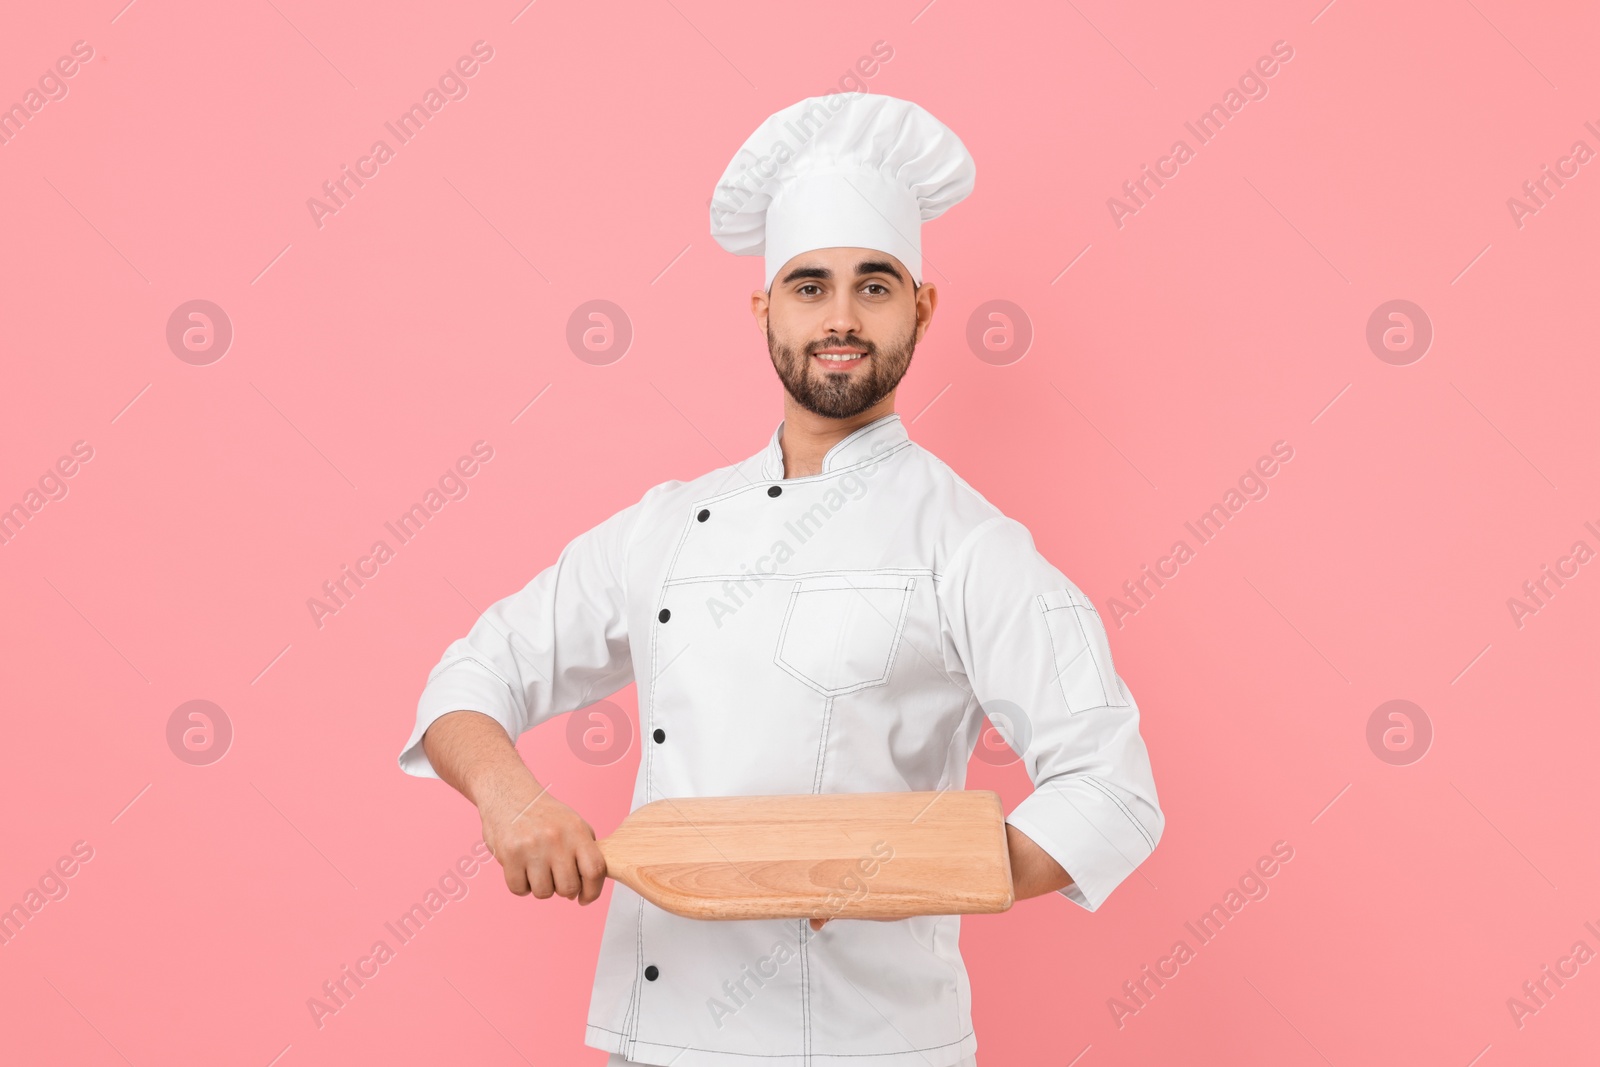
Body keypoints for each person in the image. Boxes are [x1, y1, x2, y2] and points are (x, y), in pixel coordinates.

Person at [397, 92, 1163, 1067]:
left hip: (873, 1044)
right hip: (656, 1037)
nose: (839, 318)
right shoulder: (664, 527)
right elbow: (472, 674)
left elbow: (1112, 787)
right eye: (808, 287)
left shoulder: (970, 543)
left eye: (874, 286)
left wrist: (913, 876)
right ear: (764, 308)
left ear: (920, 307)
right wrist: (512, 798)